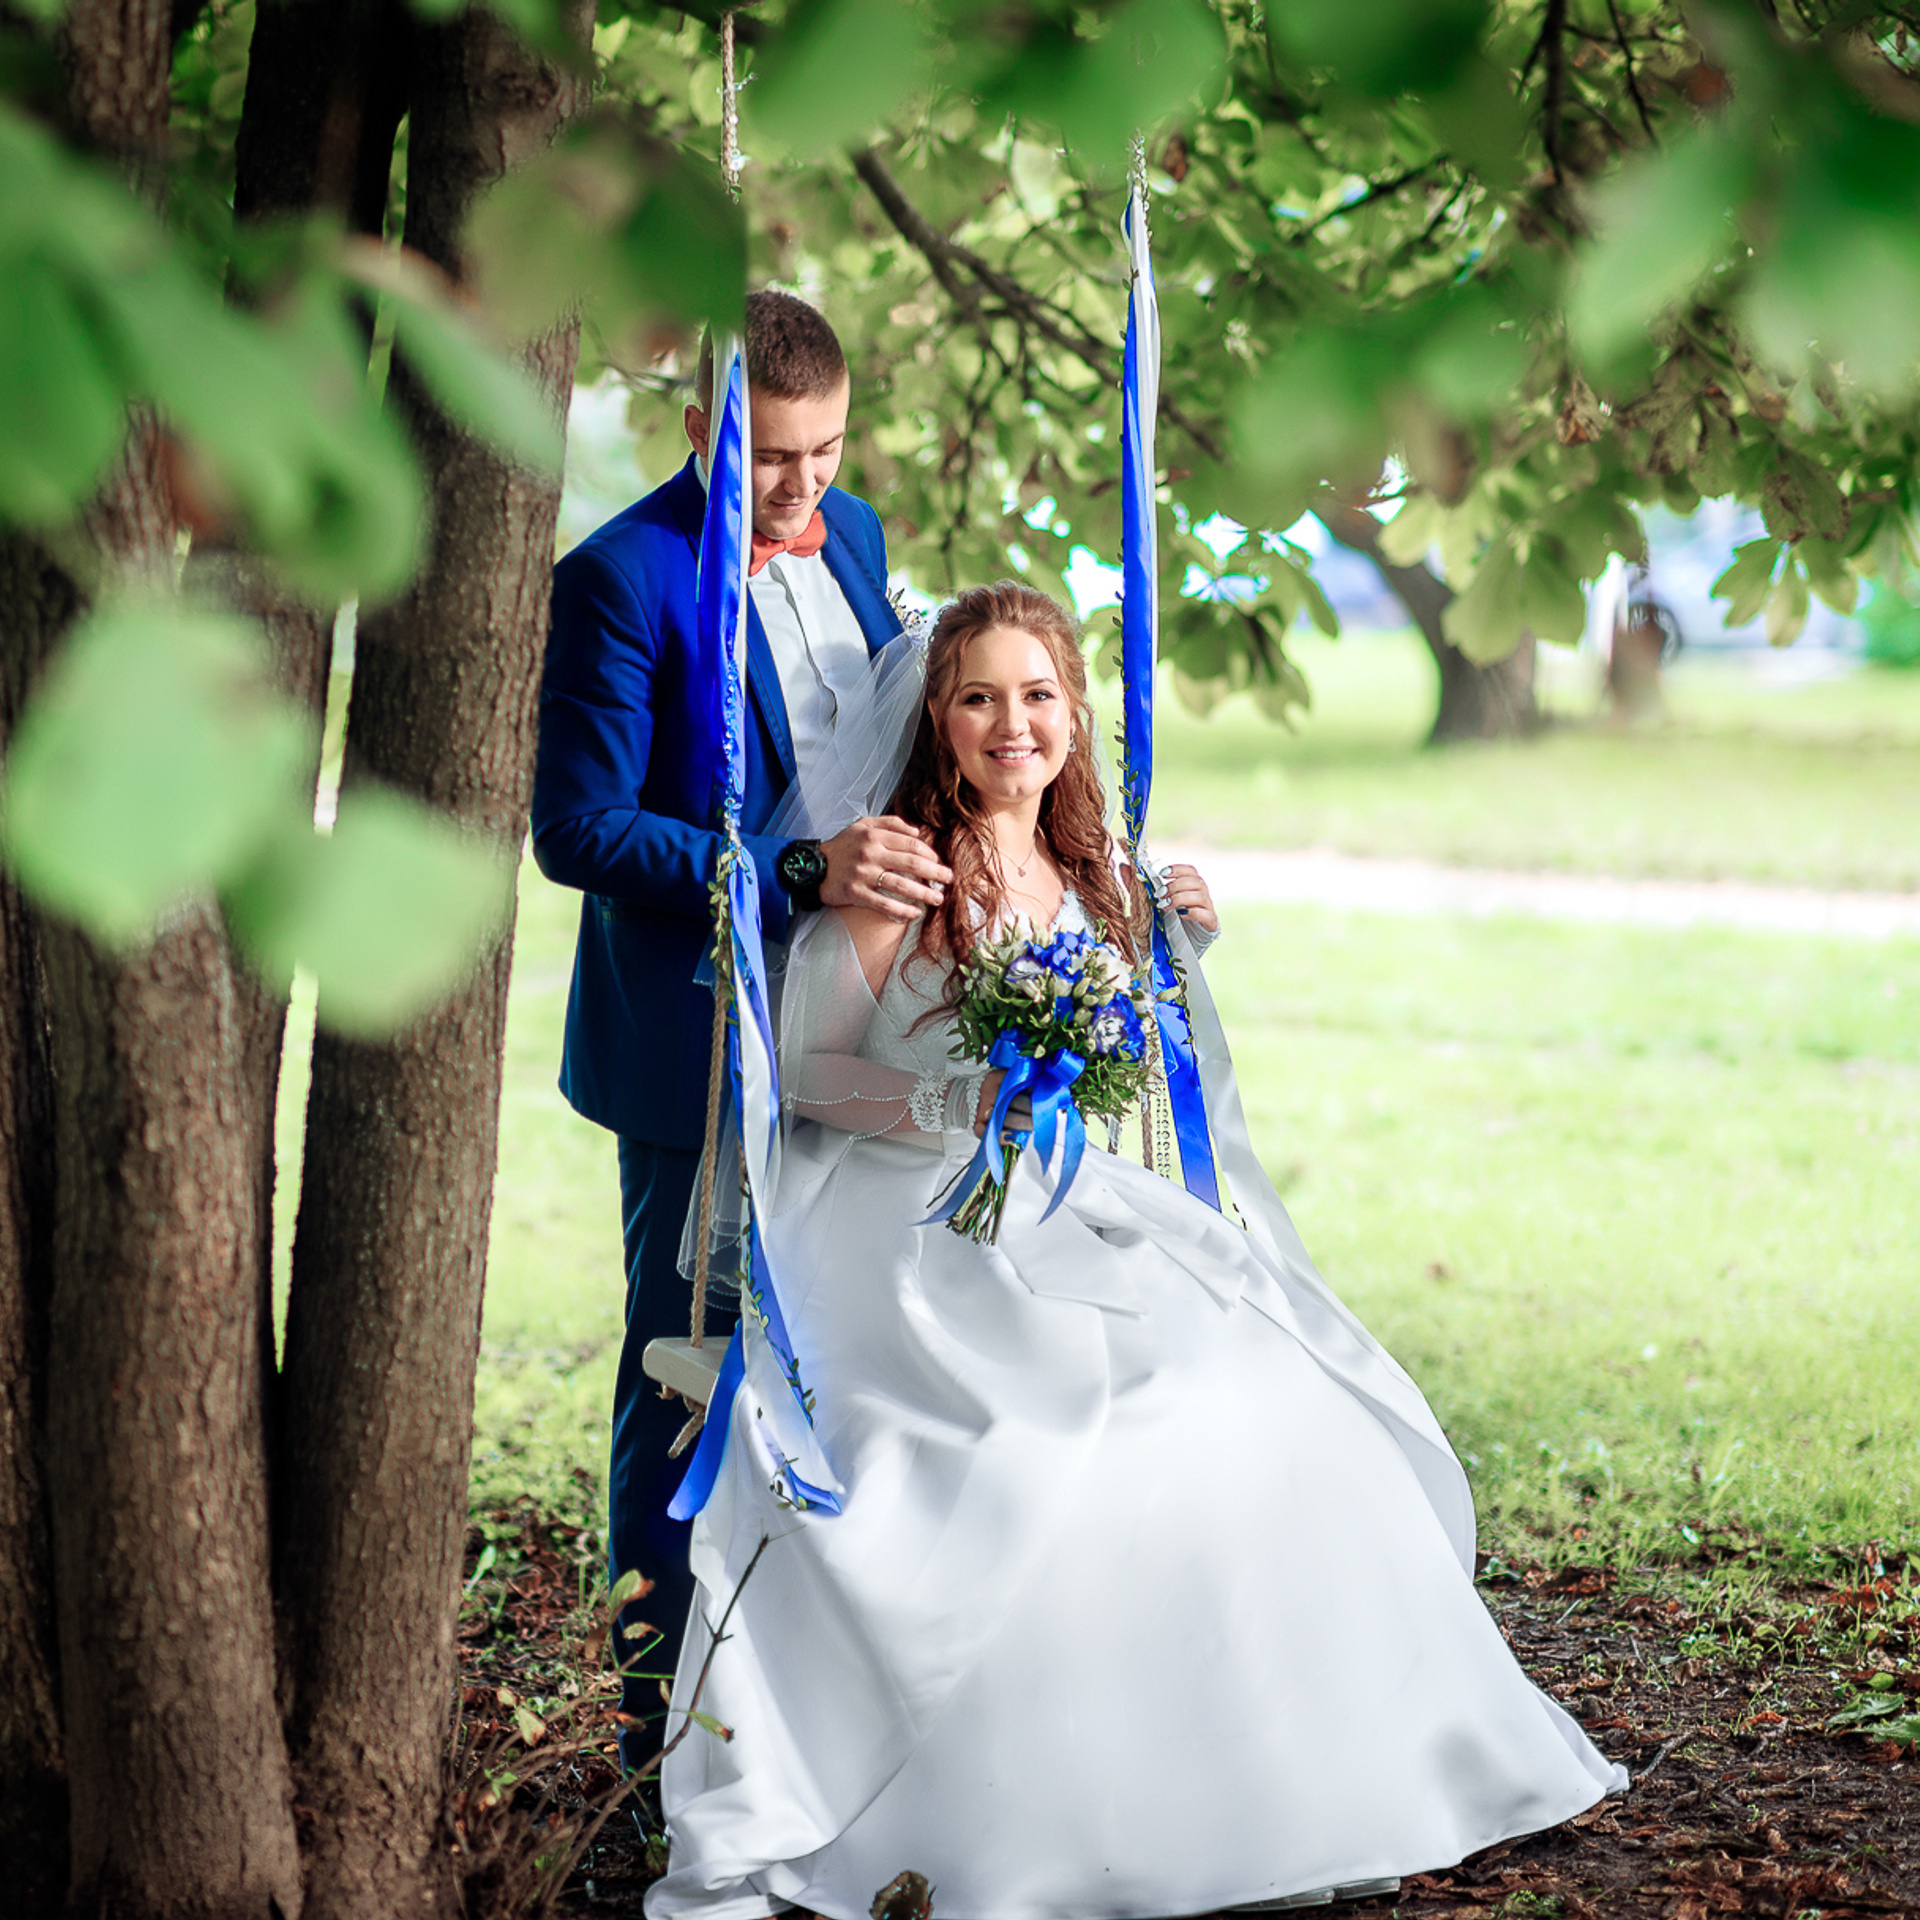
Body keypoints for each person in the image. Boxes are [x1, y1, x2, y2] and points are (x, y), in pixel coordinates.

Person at [646, 582, 1627, 1920]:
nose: (1013, 724)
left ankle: (1275, 1787)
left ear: (1075, 713)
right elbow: (809, 1082)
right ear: (936, 717)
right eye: (980, 696)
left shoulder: (1097, 870)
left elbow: (1138, 1067)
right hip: (896, 1218)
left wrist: (1177, 948)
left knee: (1267, 1396)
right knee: (1034, 1442)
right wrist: (950, 1107)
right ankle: (1023, 1814)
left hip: (1064, 1200)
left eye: (1038, 695)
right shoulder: (903, 869)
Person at [530, 290, 952, 1763]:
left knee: (847, 1341)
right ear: (704, 427)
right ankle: (658, 1729)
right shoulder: (621, 578)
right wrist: (786, 872)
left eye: (827, 450)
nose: (803, 490)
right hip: (696, 1047)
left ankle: (811, 1695)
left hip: (867, 1029)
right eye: (773, 458)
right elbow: (577, 831)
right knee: (683, 1363)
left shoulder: (862, 537)